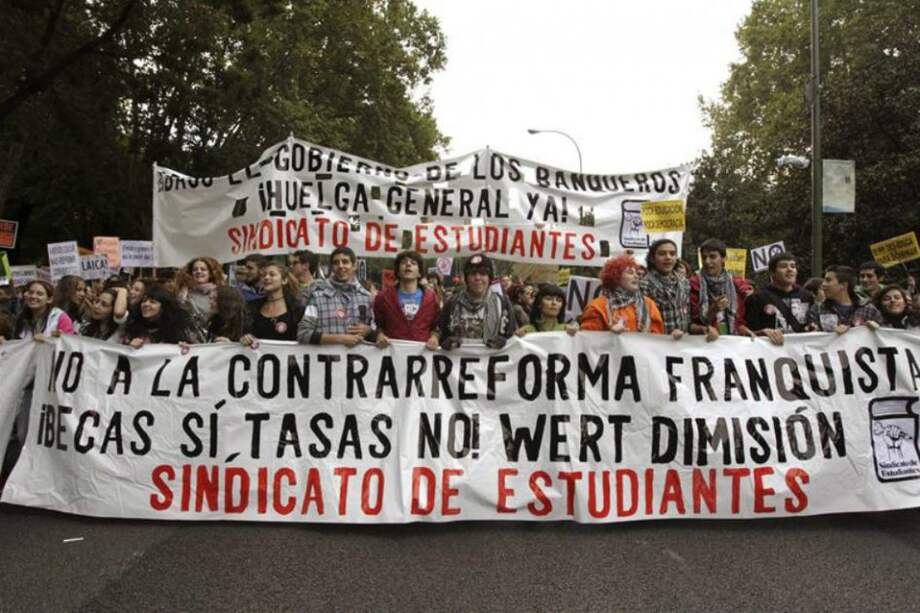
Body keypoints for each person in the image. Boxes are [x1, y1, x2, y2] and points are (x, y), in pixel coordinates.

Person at [297, 247, 375, 347]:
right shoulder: (317, 297)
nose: (340, 266)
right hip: (326, 357)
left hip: (359, 357)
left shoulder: (367, 298)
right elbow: (303, 334)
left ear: (354, 266)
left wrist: (370, 332)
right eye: (336, 263)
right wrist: (340, 339)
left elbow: (379, 335)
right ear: (332, 267)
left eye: (345, 262)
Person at [437, 253, 514, 349]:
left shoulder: (502, 303)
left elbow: (512, 337)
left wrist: (504, 341)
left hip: (492, 357)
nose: (477, 278)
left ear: (489, 278)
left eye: (483, 274)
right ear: (466, 278)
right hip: (458, 358)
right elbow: (440, 334)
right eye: (473, 273)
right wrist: (445, 342)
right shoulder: (452, 303)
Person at [580, 254, 664, 334]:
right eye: (630, 272)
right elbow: (587, 339)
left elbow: (657, 339)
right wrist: (610, 334)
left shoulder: (649, 304)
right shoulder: (597, 307)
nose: (636, 276)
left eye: (637, 273)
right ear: (616, 277)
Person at [689, 238, 754, 340]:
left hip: (731, 341)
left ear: (723, 258)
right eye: (704, 257)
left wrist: (741, 328)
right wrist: (713, 310)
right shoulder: (693, 284)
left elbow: (739, 318)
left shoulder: (737, 284)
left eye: (712, 257)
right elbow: (691, 322)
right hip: (705, 341)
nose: (707, 261)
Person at [744, 252, 814, 345]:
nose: (789, 269)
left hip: (800, 351)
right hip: (771, 351)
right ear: (772, 273)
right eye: (783, 266)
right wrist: (762, 332)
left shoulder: (807, 297)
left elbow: (813, 324)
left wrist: (813, 327)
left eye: (793, 266)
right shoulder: (756, 298)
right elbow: (747, 333)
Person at [374, 250, 440, 348]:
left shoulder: (431, 298)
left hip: (422, 353)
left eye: (413, 263)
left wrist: (434, 338)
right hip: (392, 352)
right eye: (404, 262)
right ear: (398, 272)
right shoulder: (383, 297)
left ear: (419, 273)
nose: (408, 265)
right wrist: (379, 335)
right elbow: (378, 325)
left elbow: (436, 327)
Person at [639, 238, 690, 338]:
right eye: (662, 254)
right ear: (652, 258)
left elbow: (688, 316)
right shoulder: (644, 284)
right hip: (659, 342)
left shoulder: (684, 282)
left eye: (672, 254)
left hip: (683, 342)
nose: (668, 257)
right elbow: (643, 322)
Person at [807, 265, 882, 333]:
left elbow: (884, 336)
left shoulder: (869, 310)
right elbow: (813, 337)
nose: (823, 284)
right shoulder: (818, 309)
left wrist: (877, 329)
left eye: (828, 280)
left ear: (843, 285)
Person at [243, 262, 303, 343]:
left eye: (272, 274)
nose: (266, 277)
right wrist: (245, 338)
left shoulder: (296, 309)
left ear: (284, 280)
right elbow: (243, 333)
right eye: (264, 275)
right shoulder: (251, 307)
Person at [123, 286, 195, 347]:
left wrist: (184, 347)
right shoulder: (133, 325)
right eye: (144, 301)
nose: (146, 304)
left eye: (152, 302)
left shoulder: (176, 329)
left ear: (163, 307)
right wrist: (130, 346)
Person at [177, 256, 225, 341]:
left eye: (203, 269)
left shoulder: (220, 293)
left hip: (215, 338)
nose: (198, 271)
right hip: (189, 341)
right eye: (195, 269)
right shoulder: (183, 294)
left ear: (211, 273)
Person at [11, 280, 75, 340]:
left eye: (39, 294)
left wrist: (50, 340)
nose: (33, 296)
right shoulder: (21, 317)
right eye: (30, 292)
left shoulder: (60, 317)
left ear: (49, 299)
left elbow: (69, 342)